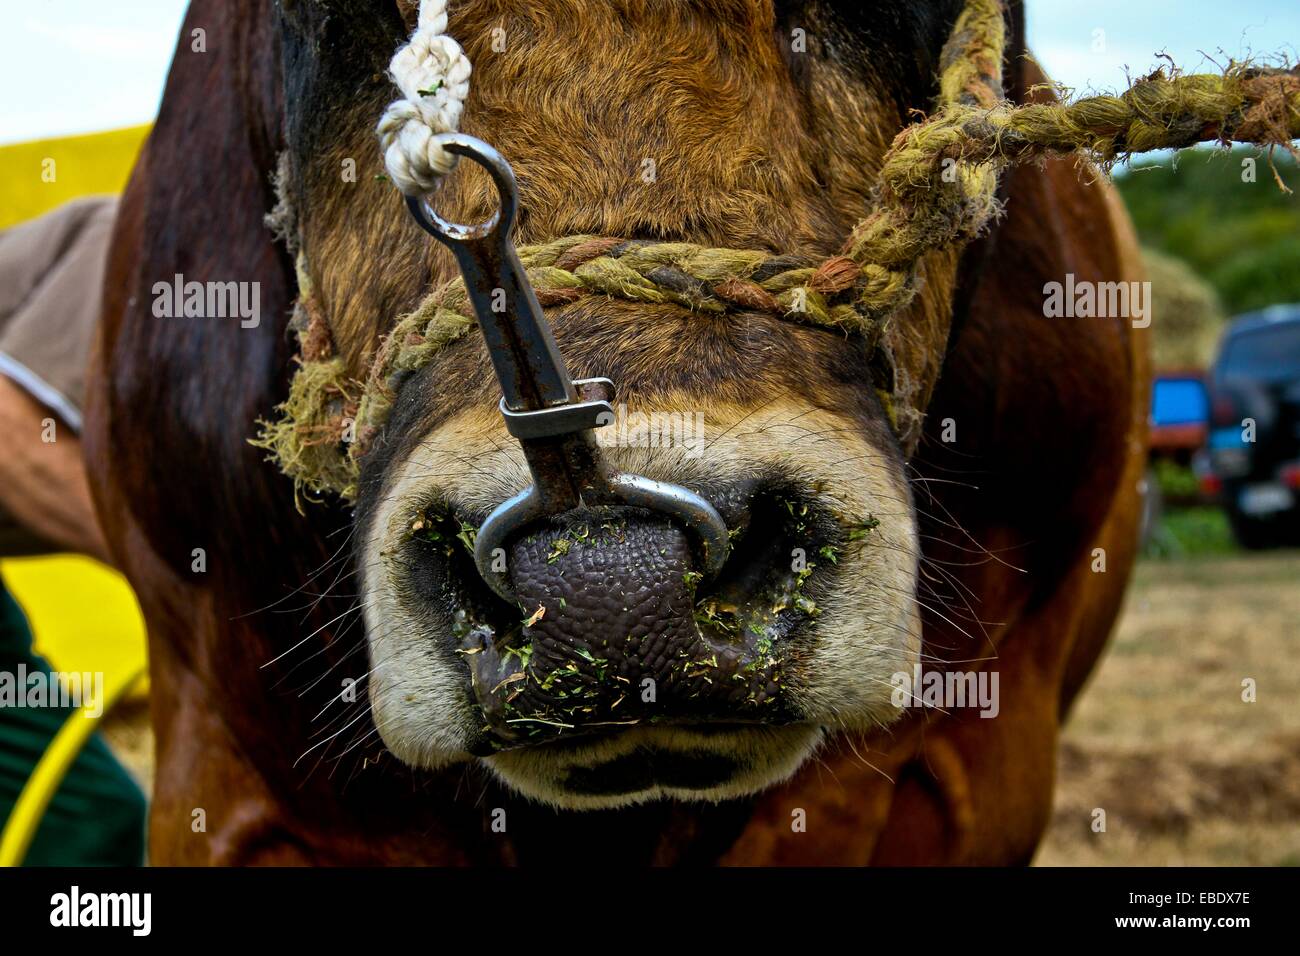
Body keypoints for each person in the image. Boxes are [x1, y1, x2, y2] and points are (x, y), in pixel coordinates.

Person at [0, 196, 146, 865]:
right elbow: (11, 440)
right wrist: (174, 580)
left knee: (89, 826)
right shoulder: (134, 244)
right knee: (89, 830)